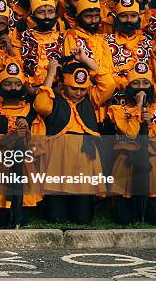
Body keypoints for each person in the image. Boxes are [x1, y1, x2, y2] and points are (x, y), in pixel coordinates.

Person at [34, 48, 116, 224]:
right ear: (63, 85)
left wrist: (86, 60)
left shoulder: (91, 98)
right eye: (74, 88)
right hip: (58, 155)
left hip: (85, 157)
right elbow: (41, 106)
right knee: (56, 217)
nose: (79, 93)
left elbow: (109, 84)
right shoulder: (54, 98)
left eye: (83, 89)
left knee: (83, 218)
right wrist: (50, 75)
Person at [0, 62, 43, 228]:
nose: (13, 88)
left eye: (17, 84)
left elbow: (39, 147)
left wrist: (28, 134)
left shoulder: (32, 111)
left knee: (21, 217)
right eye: (7, 84)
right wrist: (11, 138)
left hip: (23, 169)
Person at [106, 63, 156, 225]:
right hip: (127, 166)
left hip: (153, 169)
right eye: (135, 83)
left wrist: (150, 125)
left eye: (145, 83)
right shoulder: (117, 110)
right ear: (128, 87)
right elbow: (129, 135)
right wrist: (137, 109)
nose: (140, 88)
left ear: (151, 86)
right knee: (123, 219)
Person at [102, 0, 156, 106]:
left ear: (138, 18)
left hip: (144, 105)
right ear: (117, 18)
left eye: (133, 16)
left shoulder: (148, 43)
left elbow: (155, 78)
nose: (129, 20)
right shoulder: (106, 41)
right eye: (124, 16)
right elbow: (105, 73)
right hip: (113, 103)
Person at [20, 0, 65, 87]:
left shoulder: (62, 38)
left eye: (50, 12)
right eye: (41, 12)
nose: (46, 17)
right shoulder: (23, 38)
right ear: (33, 15)